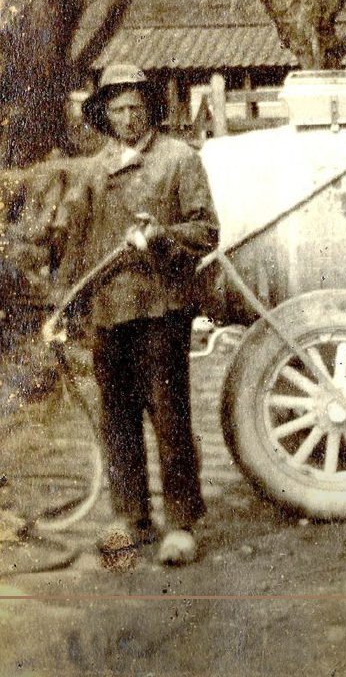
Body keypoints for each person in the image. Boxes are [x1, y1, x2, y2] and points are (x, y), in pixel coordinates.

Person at [53, 63, 219, 564]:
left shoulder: (178, 160)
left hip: (160, 308)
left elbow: (206, 230)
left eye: (136, 107)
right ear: (103, 115)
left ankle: (182, 523)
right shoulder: (92, 170)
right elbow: (77, 247)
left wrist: (162, 237)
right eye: (118, 109)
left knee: (169, 416)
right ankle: (131, 518)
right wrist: (64, 306)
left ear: (150, 108)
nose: (128, 118)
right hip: (107, 312)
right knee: (117, 418)